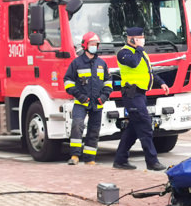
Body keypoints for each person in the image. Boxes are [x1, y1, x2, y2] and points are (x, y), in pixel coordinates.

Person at [113, 27, 169, 171]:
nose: (143, 39)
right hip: (131, 95)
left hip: (140, 95)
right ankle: (152, 161)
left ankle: (120, 159)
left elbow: (148, 72)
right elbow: (133, 63)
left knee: (133, 129)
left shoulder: (141, 53)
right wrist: (138, 48)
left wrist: (161, 82)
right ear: (131, 39)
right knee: (145, 126)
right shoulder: (123, 53)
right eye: (140, 37)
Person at [63, 31, 112, 165]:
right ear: (85, 45)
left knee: (94, 130)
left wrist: (103, 97)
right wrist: (79, 96)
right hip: (81, 102)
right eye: (92, 44)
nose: (94, 46)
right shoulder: (77, 63)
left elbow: (108, 82)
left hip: (98, 103)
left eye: (96, 44)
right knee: (77, 126)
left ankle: (90, 158)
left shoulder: (102, 63)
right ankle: (75, 156)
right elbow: (68, 81)